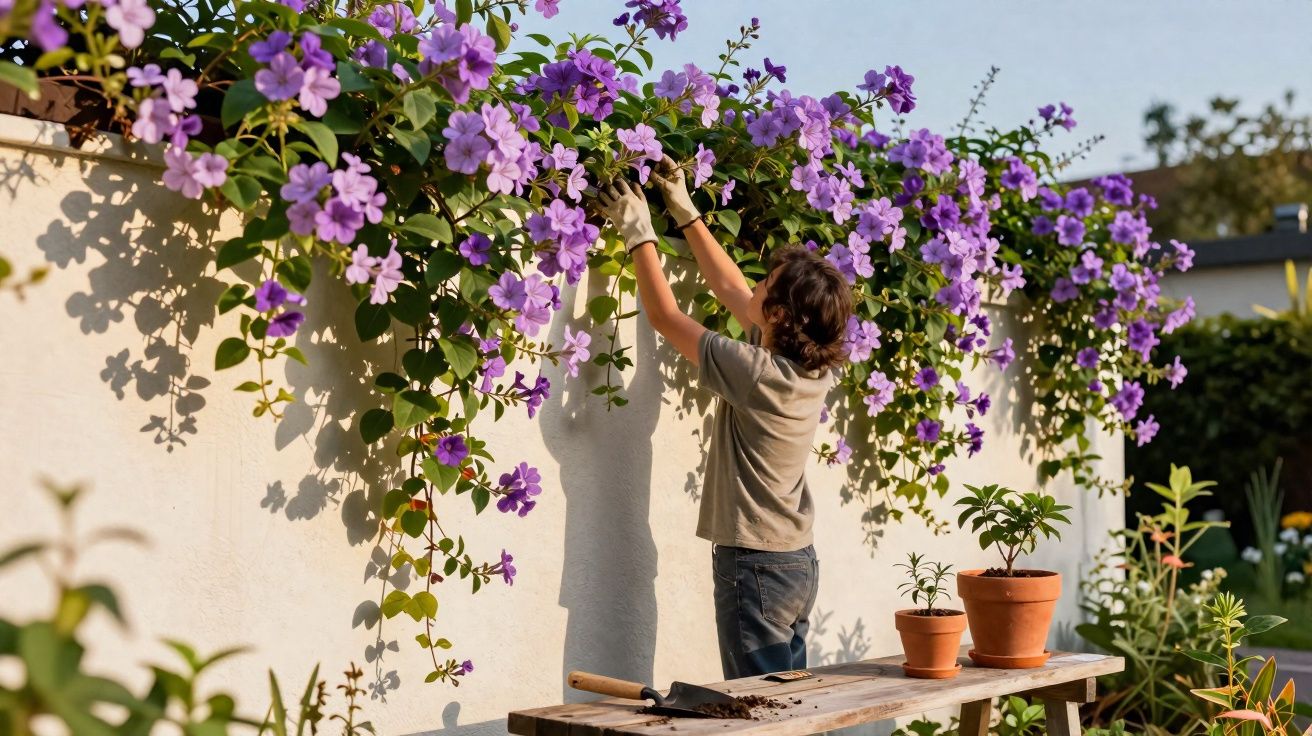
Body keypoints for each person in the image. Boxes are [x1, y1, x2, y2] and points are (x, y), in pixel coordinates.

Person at [596, 156, 854, 678]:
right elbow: (730, 289)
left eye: (766, 285)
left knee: (760, 714)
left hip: (754, 566)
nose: (754, 287)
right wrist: (685, 210)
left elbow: (667, 317)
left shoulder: (757, 373)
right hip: (795, 563)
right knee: (789, 708)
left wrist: (638, 231)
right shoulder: (806, 368)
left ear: (779, 315)